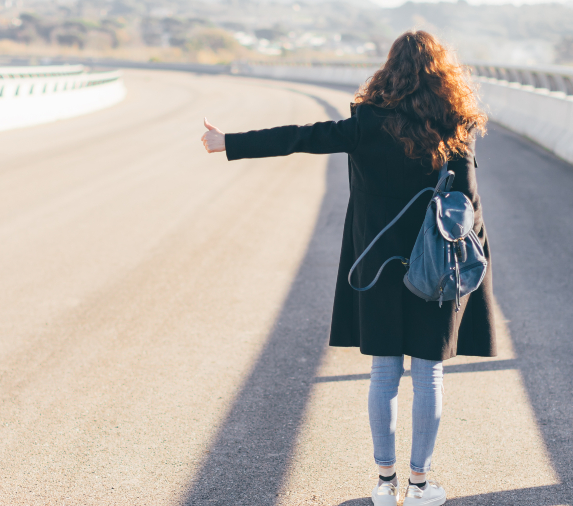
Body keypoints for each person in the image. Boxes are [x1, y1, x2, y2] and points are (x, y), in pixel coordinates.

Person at [201, 31, 498, 506]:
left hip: (377, 265)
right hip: (434, 269)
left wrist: (227, 142)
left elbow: (300, 137)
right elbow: (467, 208)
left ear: (389, 70)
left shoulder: (365, 124)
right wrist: (476, 270)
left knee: (384, 372)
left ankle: (384, 484)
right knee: (429, 374)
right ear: (444, 76)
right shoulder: (453, 126)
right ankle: (420, 486)